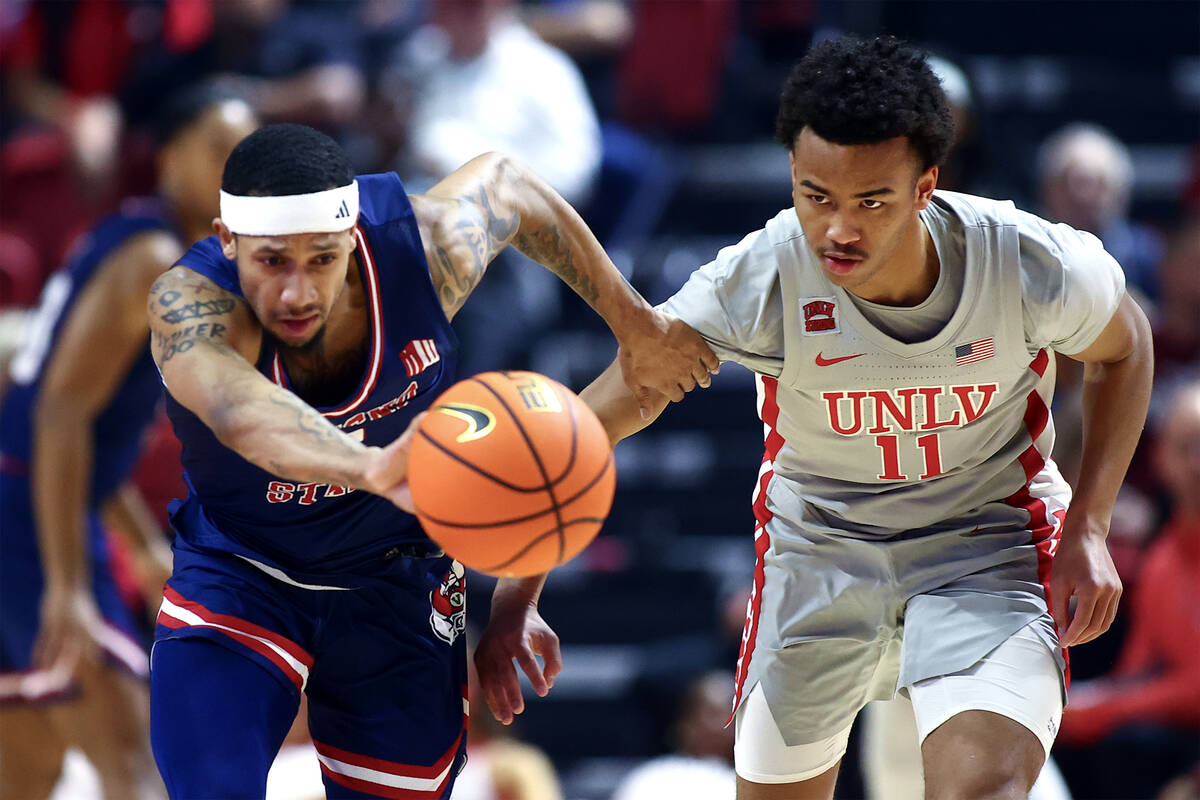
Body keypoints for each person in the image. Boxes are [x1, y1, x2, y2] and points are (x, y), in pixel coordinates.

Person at [474, 35, 1153, 800]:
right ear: (793, 176)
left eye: (871, 201)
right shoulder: (760, 277)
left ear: (927, 186)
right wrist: (514, 596)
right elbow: (584, 432)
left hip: (985, 541)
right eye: (816, 196)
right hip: (821, 553)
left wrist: (1090, 526)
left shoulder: (1023, 260)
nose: (838, 229)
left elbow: (1126, 347)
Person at [146, 122, 715, 799]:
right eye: (272, 262)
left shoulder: (426, 248)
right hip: (246, 568)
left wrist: (634, 324)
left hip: (397, 578)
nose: (297, 292)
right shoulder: (190, 306)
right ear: (226, 239)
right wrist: (367, 467)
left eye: (322, 259)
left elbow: (510, 182)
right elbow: (244, 415)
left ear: (354, 235)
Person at [0, 86, 258, 799]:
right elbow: (57, 417)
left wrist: (140, 542)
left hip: (24, 499)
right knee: (137, 772)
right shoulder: (153, 256)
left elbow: (68, 430)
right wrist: (67, 587)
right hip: (23, 519)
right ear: (171, 157)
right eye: (221, 150)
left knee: (25, 769)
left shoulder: (142, 240)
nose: (240, 170)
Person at [1055, 381, 1200, 799]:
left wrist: (1098, 711)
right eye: (1186, 448)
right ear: (1161, 459)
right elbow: (1137, 672)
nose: (1197, 464)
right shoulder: (1163, 559)